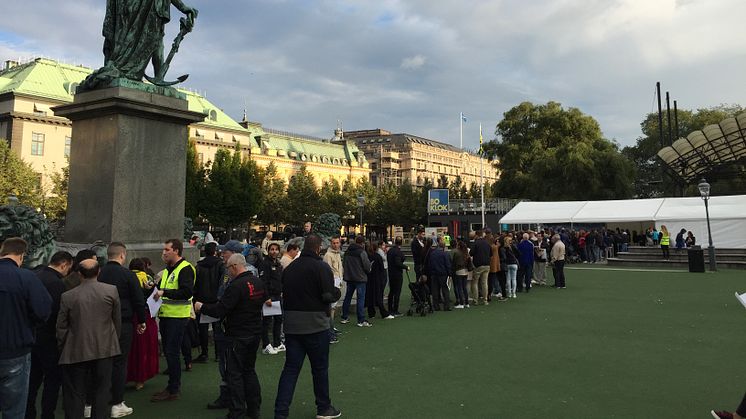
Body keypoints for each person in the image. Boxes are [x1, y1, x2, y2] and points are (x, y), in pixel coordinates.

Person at [274, 234, 342, 419]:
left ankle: (280, 412)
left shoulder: (290, 268)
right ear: (318, 247)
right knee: (319, 369)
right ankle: (324, 407)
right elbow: (328, 295)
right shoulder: (321, 267)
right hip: (316, 324)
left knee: (290, 369)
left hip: (292, 324)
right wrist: (336, 292)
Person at [196, 254, 268, 419]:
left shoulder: (236, 286)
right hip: (254, 332)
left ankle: (237, 411)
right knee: (249, 371)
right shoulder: (257, 282)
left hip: (238, 334)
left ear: (235, 266)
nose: (227, 271)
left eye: (228, 268)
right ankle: (254, 409)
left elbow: (221, 310)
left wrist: (202, 307)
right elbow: (264, 300)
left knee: (234, 374)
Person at [57, 259, 121, 419]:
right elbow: (116, 320)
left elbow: (61, 326)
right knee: (101, 391)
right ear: (99, 272)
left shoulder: (68, 296)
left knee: (76, 393)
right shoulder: (111, 291)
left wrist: (63, 344)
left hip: (76, 349)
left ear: (79, 274)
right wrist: (114, 340)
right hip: (105, 348)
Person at [0, 238, 52, 419]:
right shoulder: (27, 278)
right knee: (14, 410)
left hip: (15, 347)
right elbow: (43, 310)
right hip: (16, 350)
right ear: (22, 256)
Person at [98, 242, 146, 418]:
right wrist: (141, 320)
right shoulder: (127, 275)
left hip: (99, 323)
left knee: (100, 361)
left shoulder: (99, 273)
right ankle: (116, 402)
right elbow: (138, 299)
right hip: (123, 323)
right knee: (119, 362)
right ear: (122, 255)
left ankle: (94, 401)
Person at [26, 251, 73, 419]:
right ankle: (47, 414)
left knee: (32, 381)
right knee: (52, 380)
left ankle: (28, 413)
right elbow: (59, 315)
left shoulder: (35, 276)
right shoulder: (57, 284)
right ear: (64, 264)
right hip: (50, 338)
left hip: (32, 336)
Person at [151, 239, 195, 402]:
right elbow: (163, 291)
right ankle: (171, 388)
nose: (164, 252)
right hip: (167, 315)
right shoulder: (168, 270)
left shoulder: (185, 269)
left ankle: (173, 389)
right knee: (170, 353)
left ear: (176, 251)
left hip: (177, 317)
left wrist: (164, 292)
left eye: (167, 249)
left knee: (172, 352)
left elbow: (186, 292)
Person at [126, 258, 159, 391]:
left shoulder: (126, 277)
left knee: (130, 349)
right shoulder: (149, 279)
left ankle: (126, 376)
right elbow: (155, 297)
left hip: (130, 316)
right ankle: (141, 378)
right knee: (145, 348)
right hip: (146, 316)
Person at [193, 242, 225, 363]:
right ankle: (218, 353)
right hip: (216, 301)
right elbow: (223, 283)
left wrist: (195, 300)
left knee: (203, 329)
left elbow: (195, 285)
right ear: (216, 251)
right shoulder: (221, 265)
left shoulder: (198, 266)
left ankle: (204, 353)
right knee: (217, 328)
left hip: (201, 301)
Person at [341, 236, 372, 327]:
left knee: (348, 297)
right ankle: (361, 320)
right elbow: (367, 266)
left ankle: (344, 317)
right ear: (362, 243)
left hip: (350, 277)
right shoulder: (362, 252)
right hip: (360, 278)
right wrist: (369, 269)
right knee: (360, 299)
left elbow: (344, 263)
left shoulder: (347, 252)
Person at [260, 243, 284, 354]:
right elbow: (263, 281)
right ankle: (266, 345)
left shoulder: (278, 263)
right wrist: (266, 297)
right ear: (268, 250)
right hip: (269, 296)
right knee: (267, 321)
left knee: (278, 320)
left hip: (278, 295)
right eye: (272, 249)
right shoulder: (265, 263)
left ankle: (277, 343)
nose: (274, 251)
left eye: (276, 249)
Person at [322, 237, 344, 343]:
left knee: (334, 307)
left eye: (337, 243)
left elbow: (340, 268)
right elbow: (327, 270)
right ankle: (329, 328)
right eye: (334, 243)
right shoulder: (328, 255)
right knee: (330, 307)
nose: (336, 245)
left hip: (338, 280)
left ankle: (332, 326)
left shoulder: (338, 254)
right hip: (333, 281)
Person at [365, 241, 393, 320]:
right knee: (379, 296)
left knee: (370, 295)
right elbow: (382, 268)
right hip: (377, 278)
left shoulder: (367, 255)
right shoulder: (377, 256)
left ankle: (371, 313)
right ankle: (383, 313)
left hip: (369, 278)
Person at [425, 237, 452, 311]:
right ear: (444, 247)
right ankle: (447, 306)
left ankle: (436, 306)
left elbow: (430, 264)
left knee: (435, 291)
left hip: (434, 274)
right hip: (443, 274)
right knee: (445, 290)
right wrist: (450, 274)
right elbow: (448, 264)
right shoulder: (445, 254)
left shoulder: (432, 254)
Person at [386, 237, 407, 316]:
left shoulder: (390, 251)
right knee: (397, 292)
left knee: (391, 291)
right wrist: (405, 267)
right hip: (397, 274)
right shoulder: (398, 252)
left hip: (391, 273)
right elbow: (398, 263)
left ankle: (390, 309)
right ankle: (395, 310)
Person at [471, 230, 491, 305]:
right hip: (487, 265)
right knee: (484, 283)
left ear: (476, 235)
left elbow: (471, 253)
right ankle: (485, 300)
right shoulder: (487, 243)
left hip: (478, 265)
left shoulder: (475, 243)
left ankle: (475, 300)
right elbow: (490, 254)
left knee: (475, 282)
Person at [451, 240, 470, 309]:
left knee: (459, 287)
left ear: (459, 246)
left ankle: (461, 303)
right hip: (465, 271)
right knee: (464, 287)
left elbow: (453, 262)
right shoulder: (466, 253)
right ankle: (467, 303)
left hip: (458, 271)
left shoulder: (457, 253)